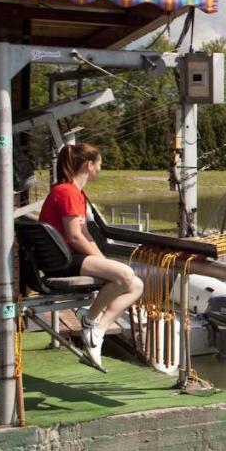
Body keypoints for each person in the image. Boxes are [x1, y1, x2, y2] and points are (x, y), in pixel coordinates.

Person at [38, 143, 143, 370]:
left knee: (137, 285)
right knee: (125, 274)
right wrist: (106, 263)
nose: (100, 169)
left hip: (70, 257)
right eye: (100, 164)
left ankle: (97, 330)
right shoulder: (67, 192)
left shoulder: (74, 192)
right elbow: (75, 238)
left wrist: (103, 262)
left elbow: (85, 234)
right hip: (63, 261)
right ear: (89, 165)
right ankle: (88, 319)